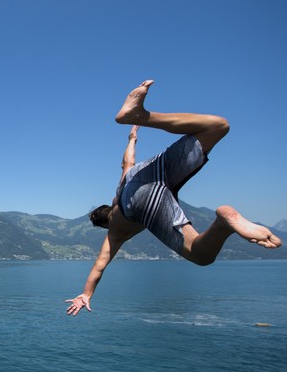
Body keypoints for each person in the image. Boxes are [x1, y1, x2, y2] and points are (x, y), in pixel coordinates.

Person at [66, 80, 281, 316]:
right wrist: (132, 139)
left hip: (141, 204)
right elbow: (127, 162)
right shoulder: (119, 189)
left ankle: (223, 222)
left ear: (104, 223)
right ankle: (140, 116)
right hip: (145, 172)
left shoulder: (115, 230)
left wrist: (86, 294)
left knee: (201, 256)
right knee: (218, 126)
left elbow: (99, 266)